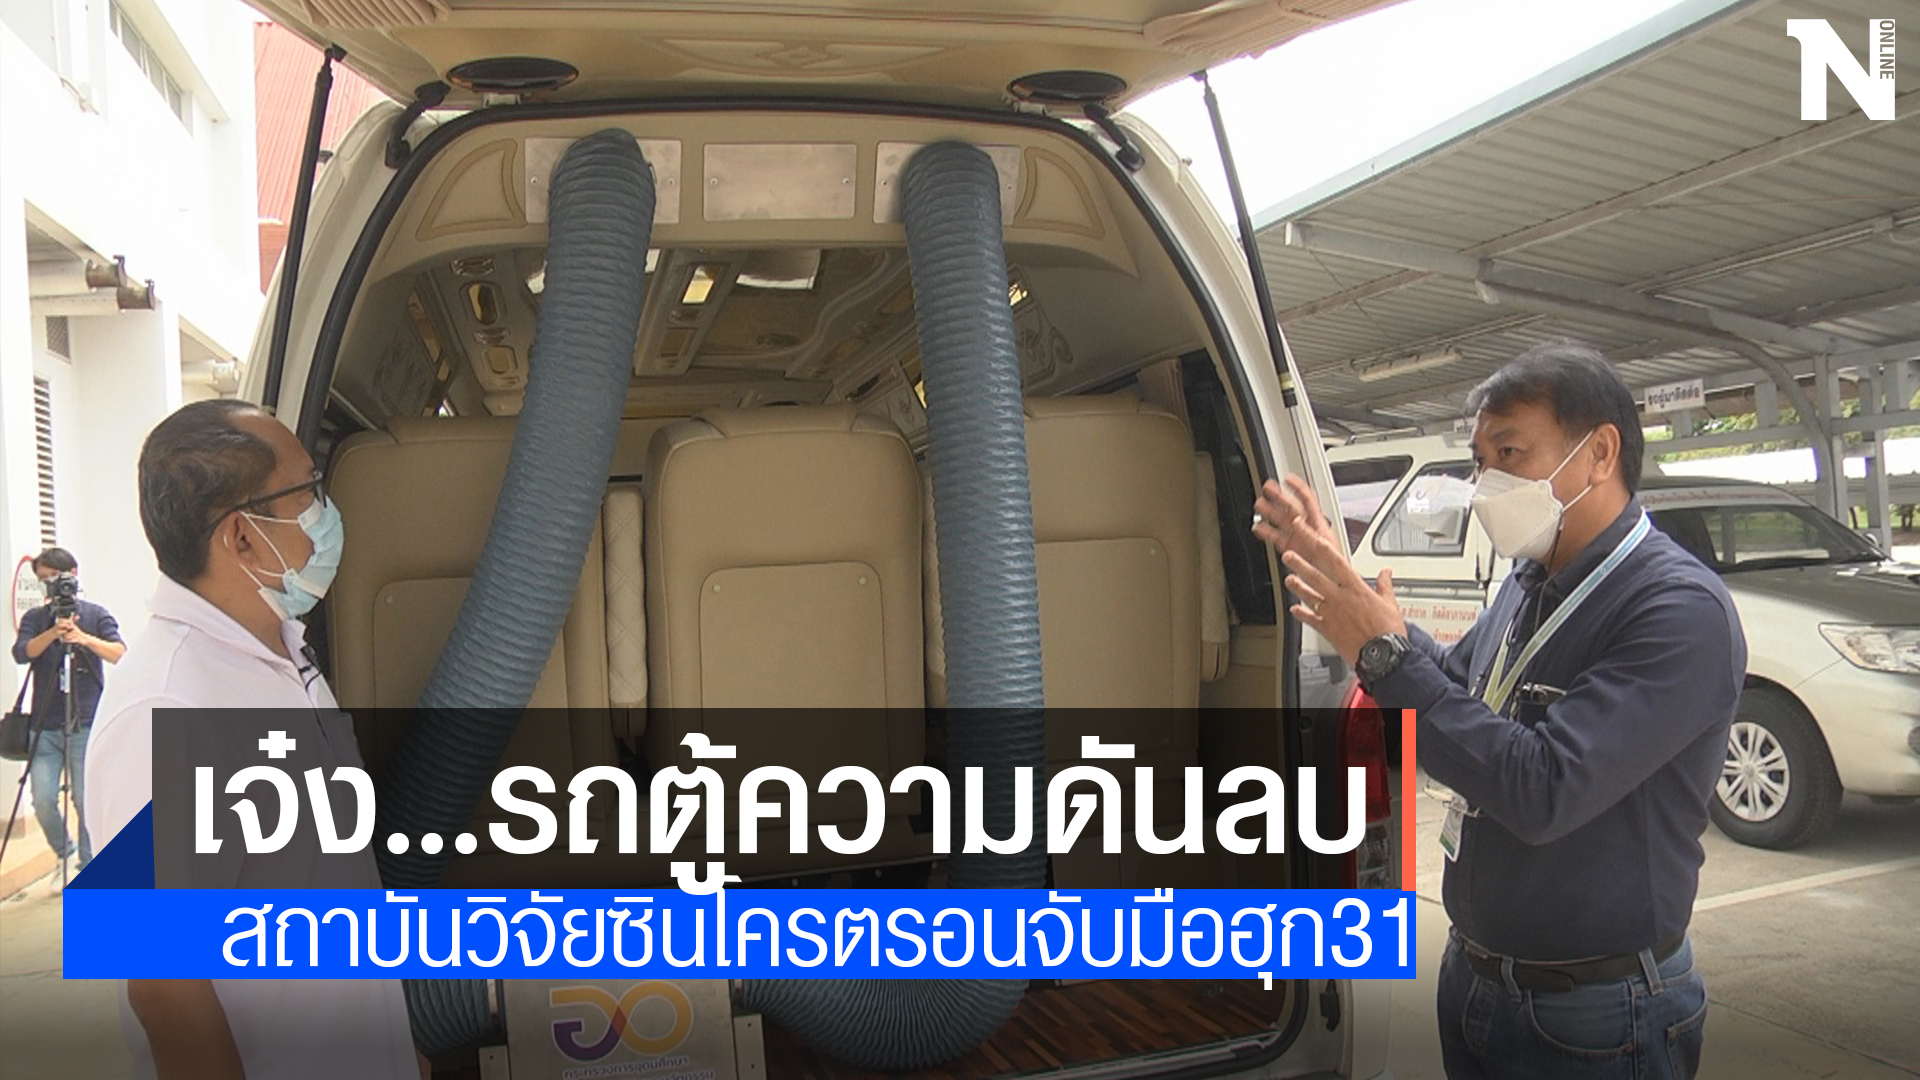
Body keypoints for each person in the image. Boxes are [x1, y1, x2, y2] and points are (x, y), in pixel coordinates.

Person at [1254, 342, 1745, 1080]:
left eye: (1510, 453)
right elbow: (1456, 688)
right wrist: (1364, 611)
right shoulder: (1530, 579)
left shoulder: (1677, 611)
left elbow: (1543, 788)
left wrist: (1383, 654)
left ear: (1600, 453)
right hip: (1477, 978)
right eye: (1480, 461)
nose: (1487, 483)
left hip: (1596, 1011)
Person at [86, 399, 424, 1080]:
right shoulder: (165, 707)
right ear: (241, 537)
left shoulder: (281, 657)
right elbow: (163, 987)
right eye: (308, 493)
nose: (325, 514)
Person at [11, 546, 125, 870]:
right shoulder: (36, 619)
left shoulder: (96, 614)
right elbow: (21, 653)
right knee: (43, 799)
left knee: (86, 800)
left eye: (55, 577)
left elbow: (120, 653)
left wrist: (83, 638)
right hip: (45, 727)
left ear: (73, 574)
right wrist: (53, 633)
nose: (50, 585)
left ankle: (89, 867)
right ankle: (66, 853)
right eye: (43, 579)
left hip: (85, 723)